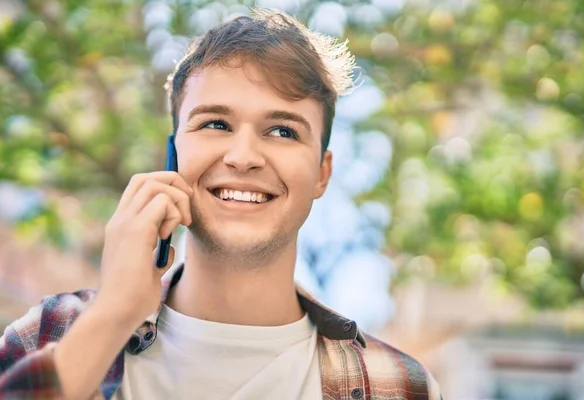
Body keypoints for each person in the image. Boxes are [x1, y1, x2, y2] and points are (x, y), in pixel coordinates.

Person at [0, 9, 443, 400]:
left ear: (322, 173)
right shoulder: (50, 335)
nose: (244, 157)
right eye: (215, 123)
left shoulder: (403, 388)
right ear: (174, 156)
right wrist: (115, 313)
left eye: (283, 131)